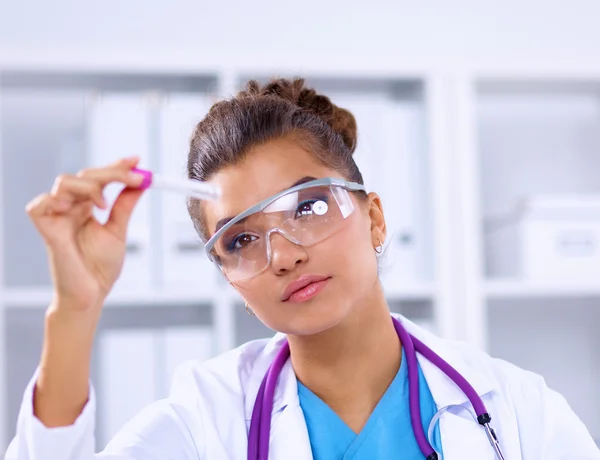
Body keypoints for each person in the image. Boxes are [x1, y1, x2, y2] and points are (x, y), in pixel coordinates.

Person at [4, 78, 599, 460]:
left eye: (309, 206)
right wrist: (76, 310)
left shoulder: (520, 412)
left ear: (375, 220)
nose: (283, 254)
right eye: (240, 241)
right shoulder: (205, 423)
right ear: (230, 282)